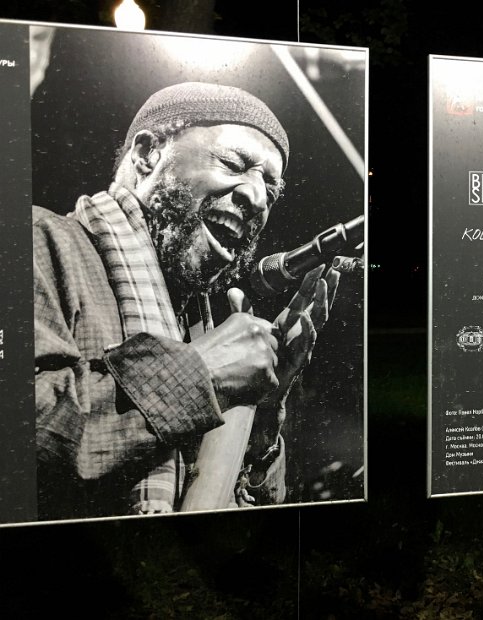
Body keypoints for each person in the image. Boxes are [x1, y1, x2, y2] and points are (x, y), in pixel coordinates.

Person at [34, 82, 338, 519]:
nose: (256, 198)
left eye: (270, 190)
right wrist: (206, 372)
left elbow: (245, 525)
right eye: (234, 164)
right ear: (147, 153)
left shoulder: (203, 323)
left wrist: (262, 403)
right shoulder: (38, 242)